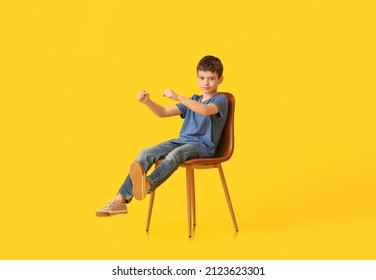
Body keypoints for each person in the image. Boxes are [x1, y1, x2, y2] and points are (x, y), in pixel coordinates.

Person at [96, 55, 228, 217]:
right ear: (197, 78)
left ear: (220, 79)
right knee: (145, 153)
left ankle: (148, 183)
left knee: (175, 155)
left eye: (211, 78)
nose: (206, 83)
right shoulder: (192, 100)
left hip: (203, 147)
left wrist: (178, 97)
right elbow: (164, 112)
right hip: (182, 142)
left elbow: (205, 110)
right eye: (202, 78)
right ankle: (120, 200)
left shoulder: (221, 99)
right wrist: (147, 102)